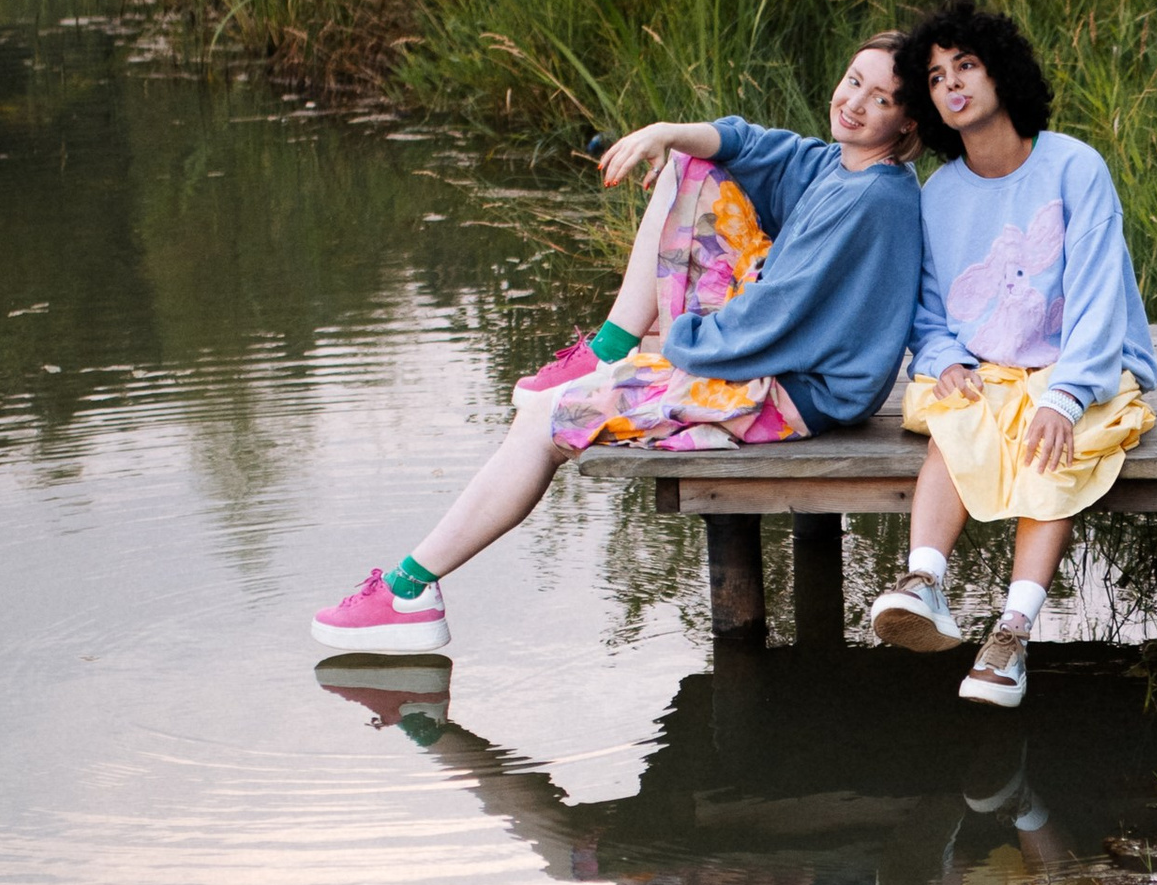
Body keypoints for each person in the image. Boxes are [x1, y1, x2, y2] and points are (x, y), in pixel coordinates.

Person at [309, 35, 922, 654]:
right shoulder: (845, 169)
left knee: (548, 420)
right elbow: (761, 148)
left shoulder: (872, 199)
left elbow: (781, 315)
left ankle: (411, 593)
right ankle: (610, 346)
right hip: (778, 355)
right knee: (691, 163)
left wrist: (676, 343)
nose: (854, 103)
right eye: (853, 80)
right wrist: (667, 131)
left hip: (789, 392)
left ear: (906, 123)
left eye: (881, 98)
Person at [866, 0, 1157, 710]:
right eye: (935, 77)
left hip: (1085, 363)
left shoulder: (1074, 167)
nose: (953, 84)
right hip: (994, 364)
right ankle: (924, 582)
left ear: (1001, 70)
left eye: (965, 65)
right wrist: (943, 358)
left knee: (1057, 443)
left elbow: (1097, 298)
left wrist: (1063, 396)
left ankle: (1012, 634)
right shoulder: (939, 195)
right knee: (955, 414)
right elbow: (929, 312)